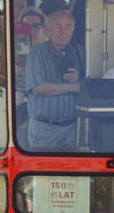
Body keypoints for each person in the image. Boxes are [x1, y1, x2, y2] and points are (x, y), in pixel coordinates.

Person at [25, 8, 84, 149]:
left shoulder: (80, 53)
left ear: (73, 30)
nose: (63, 32)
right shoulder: (36, 52)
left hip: (73, 130)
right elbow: (38, 88)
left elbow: (89, 87)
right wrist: (73, 87)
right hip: (44, 130)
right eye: (58, 27)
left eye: (67, 27)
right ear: (48, 30)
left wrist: (78, 80)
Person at [13, 8, 47, 144]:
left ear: (44, 29)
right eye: (27, 27)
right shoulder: (11, 53)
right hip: (13, 112)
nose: (31, 32)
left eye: (36, 27)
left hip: (39, 114)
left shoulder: (50, 56)